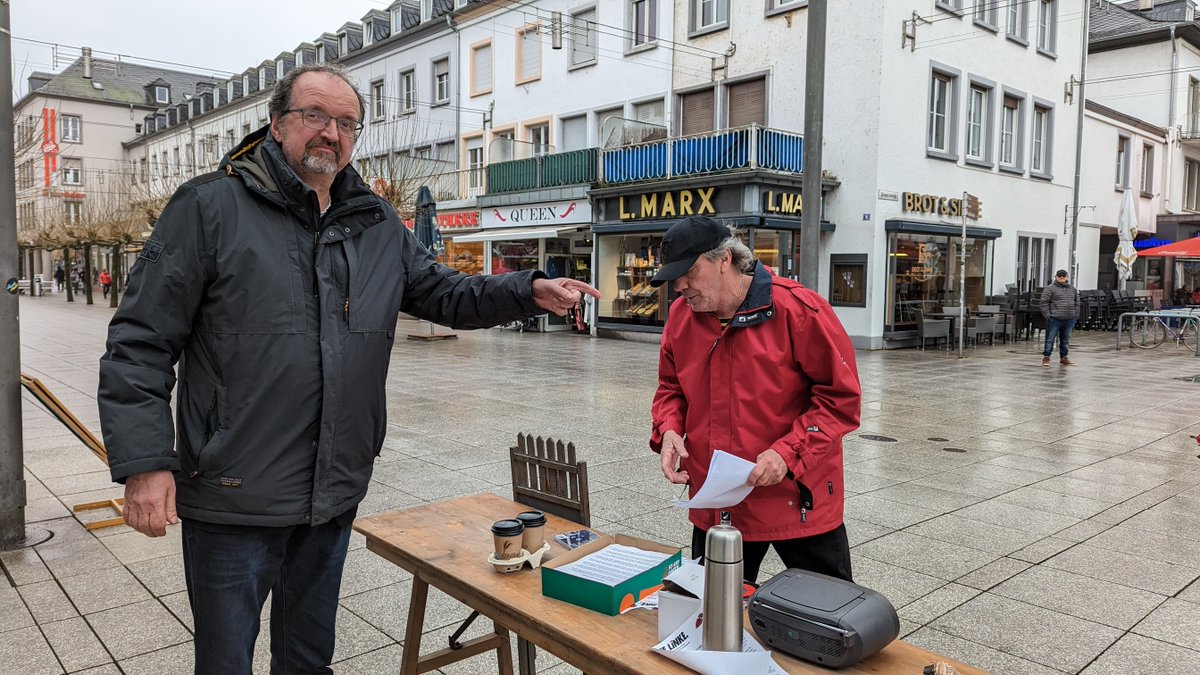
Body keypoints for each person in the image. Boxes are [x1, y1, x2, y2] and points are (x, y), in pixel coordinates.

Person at [97, 64, 598, 675]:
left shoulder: (376, 223)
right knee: (225, 662)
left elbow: (446, 294)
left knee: (309, 659)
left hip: (331, 489)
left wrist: (528, 289)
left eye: (346, 123)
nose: (330, 133)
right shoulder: (209, 208)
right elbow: (140, 342)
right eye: (315, 116)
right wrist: (146, 465)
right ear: (278, 124)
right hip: (233, 494)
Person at [649, 216, 862, 584]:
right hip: (718, 503)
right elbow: (672, 388)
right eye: (673, 277)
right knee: (713, 616)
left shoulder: (798, 310)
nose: (680, 286)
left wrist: (788, 452)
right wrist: (669, 429)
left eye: (689, 272)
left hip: (796, 497)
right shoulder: (681, 316)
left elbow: (840, 399)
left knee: (829, 620)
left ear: (724, 260)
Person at [1039, 269, 1079, 367]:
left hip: (1069, 319)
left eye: (1063, 276)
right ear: (1055, 277)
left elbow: (1077, 302)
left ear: (1067, 277)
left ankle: (1064, 358)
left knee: (1066, 339)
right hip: (1055, 319)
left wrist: (1075, 315)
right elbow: (1043, 302)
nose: (1061, 278)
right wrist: (1048, 316)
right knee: (1050, 339)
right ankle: (1046, 357)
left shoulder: (1072, 289)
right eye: (1059, 276)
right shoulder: (1050, 288)